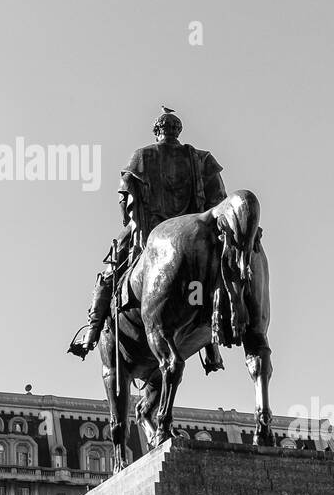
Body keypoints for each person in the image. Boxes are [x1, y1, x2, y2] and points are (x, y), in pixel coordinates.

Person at [68, 107, 226, 361]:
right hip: (197, 235)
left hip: (150, 230)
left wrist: (131, 223)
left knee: (110, 272)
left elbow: (125, 196)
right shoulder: (201, 158)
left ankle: (92, 331)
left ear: (157, 132)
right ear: (178, 131)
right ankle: (211, 343)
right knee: (205, 282)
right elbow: (219, 201)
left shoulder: (142, 156)